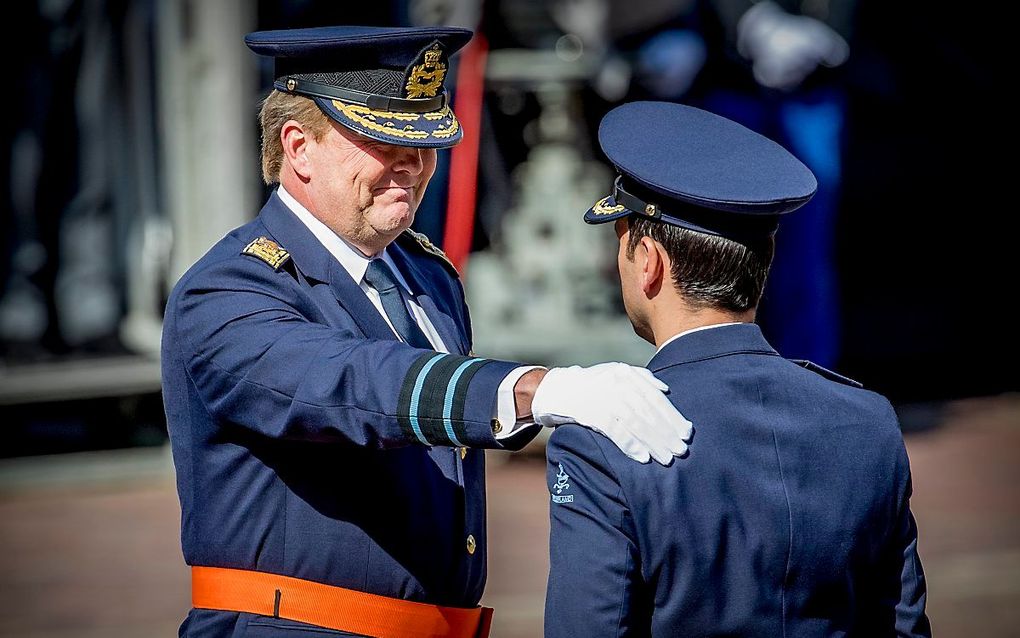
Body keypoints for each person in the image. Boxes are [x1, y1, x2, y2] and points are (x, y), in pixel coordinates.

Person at [160, 26, 693, 638]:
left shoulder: (424, 274)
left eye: (422, 141)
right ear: (298, 148)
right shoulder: (229, 290)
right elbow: (350, 385)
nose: (412, 162)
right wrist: (535, 391)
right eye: (381, 140)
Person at [544, 101, 931, 637]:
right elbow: (902, 626)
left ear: (650, 261)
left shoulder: (603, 442)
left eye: (622, 242)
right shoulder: (868, 421)